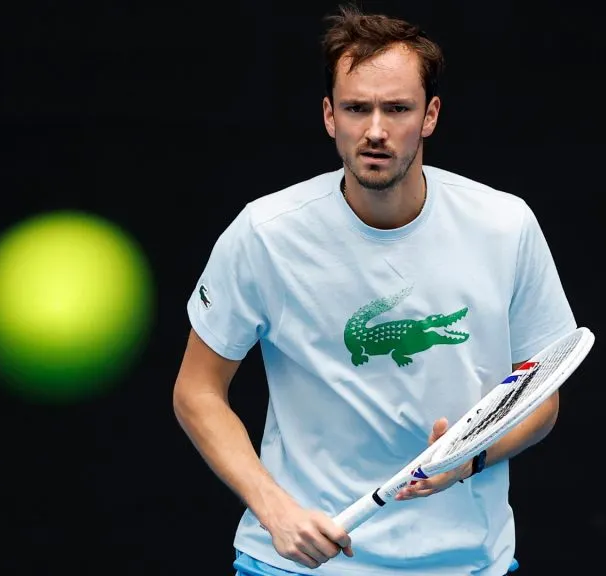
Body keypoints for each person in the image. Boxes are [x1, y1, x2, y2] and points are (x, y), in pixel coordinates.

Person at [172, 5, 577, 575]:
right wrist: (274, 508)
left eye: (398, 108)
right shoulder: (264, 233)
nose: (377, 130)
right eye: (357, 108)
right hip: (294, 566)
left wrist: (468, 459)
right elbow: (197, 392)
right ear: (329, 116)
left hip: (467, 564)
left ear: (430, 115)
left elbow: (542, 398)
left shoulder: (505, 226)